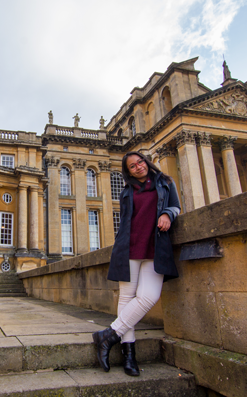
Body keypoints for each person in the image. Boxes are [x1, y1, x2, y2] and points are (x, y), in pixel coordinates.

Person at [92, 151, 180, 376]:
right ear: (128, 171)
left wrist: (168, 214)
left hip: (155, 247)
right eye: (132, 166)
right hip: (129, 248)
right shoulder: (127, 191)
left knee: (149, 296)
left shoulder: (166, 182)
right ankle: (129, 356)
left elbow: (176, 206)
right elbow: (125, 222)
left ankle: (108, 336)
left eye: (140, 162)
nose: (138, 167)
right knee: (127, 298)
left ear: (146, 162)